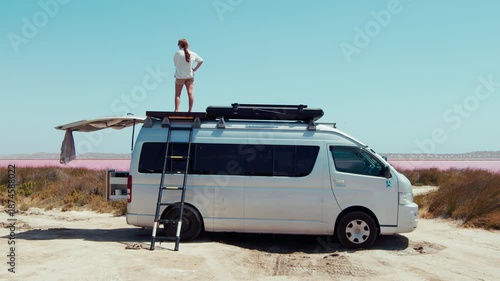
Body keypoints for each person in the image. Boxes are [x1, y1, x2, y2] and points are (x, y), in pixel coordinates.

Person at [174, 38, 204, 112]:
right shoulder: (192, 54)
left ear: (180, 45)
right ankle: (190, 110)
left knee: (178, 95)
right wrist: (194, 69)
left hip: (180, 76)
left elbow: (175, 64)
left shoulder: (177, 53)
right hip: (190, 76)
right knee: (190, 93)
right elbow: (201, 61)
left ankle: (176, 110)